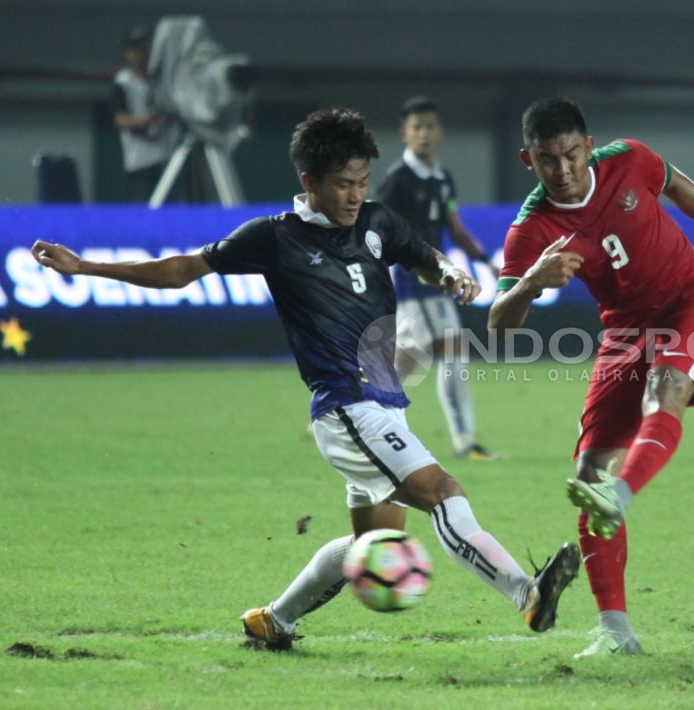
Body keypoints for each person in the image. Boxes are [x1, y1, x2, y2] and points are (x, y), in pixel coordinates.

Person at [31, 107, 580, 651]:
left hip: (383, 405)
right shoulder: (275, 238)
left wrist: (449, 272)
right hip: (346, 406)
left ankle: (274, 620)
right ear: (308, 181)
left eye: (362, 182)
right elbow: (183, 270)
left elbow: (422, 255)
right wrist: (88, 269)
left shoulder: (378, 222)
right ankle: (526, 594)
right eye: (343, 184)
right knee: (443, 492)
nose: (355, 195)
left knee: (375, 542)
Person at [488, 98, 694, 657]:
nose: (564, 170)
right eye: (548, 161)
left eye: (572, 155)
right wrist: (531, 283)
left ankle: (622, 493)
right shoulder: (531, 230)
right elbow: (499, 323)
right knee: (588, 470)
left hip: (691, 301)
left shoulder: (630, 159)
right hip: (623, 332)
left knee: (662, 395)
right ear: (529, 160)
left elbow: (676, 183)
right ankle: (617, 633)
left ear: (589, 147)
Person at [375, 97, 500, 461]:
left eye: (429, 126)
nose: (424, 133)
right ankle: (465, 441)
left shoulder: (443, 179)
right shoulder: (398, 180)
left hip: (436, 278)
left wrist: (484, 262)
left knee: (407, 361)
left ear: (440, 131)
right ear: (404, 134)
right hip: (415, 279)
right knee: (453, 352)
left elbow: (455, 228)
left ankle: (350, 407)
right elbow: (377, 228)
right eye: (416, 127)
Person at [113, 25, 181, 203]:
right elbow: (120, 119)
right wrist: (145, 120)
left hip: (168, 158)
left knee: (174, 213)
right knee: (143, 215)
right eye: (136, 49)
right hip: (140, 160)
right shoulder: (124, 82)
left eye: (145, 48)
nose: (141, 54)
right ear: (127, 53)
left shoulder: (161, 79)